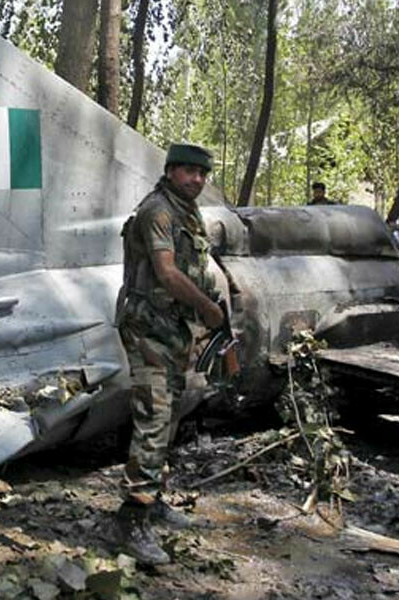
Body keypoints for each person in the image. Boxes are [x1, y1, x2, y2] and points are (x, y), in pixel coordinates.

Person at [115, 143, 224, 565]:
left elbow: (194, 265)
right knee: (155, 417)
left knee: (170, 414)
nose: (197, 179)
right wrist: (207, 307)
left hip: (171, 327)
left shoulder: (186, 211)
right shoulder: (158, 211)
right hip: (148, 327)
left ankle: (154, 500)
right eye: (189, 172)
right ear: (171, 170)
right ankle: (132, 521)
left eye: (203, 173)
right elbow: (167, 272)